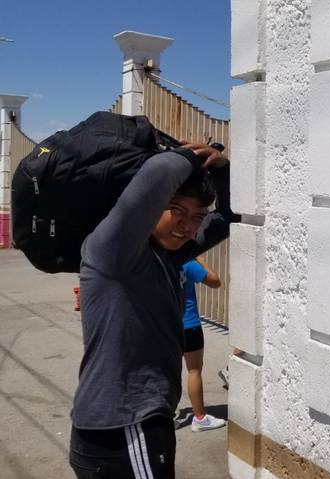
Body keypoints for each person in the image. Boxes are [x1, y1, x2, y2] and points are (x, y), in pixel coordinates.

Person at [68, 142, 238, 479]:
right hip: (126, 426)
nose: (186, 226)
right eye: (176, 209)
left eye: (196, 216)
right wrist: (191, 157)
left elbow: (228, 217)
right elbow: (160, 172)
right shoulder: (113, 252)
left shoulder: (168, 256)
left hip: (134, 422)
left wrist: (222, 170)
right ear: (150, 208)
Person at [181, 256, 226, 431]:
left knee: (167, 373)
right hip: (189, 325)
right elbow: (215, 281)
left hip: (164, 326)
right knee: (194, 371)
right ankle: (199, 418)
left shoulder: (156, 260)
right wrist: (200, 258)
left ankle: (163, 417)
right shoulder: (187, 263)